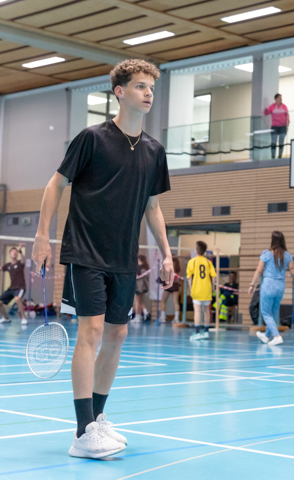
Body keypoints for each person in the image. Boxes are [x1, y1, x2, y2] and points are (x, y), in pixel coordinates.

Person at [32, 59, 173, 459]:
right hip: (85, 251)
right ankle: (82, 432)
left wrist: (166, 254)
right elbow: (55, 184)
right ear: (120, 92)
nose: (148, 93)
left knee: (118, 333)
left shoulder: (153, 151)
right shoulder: (91, 139)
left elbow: (153, 208)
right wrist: (43, 237)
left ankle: (98, 416)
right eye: (141, 86)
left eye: (151, 87)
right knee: (91, 331)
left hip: (124, 256)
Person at [248, 231, 294, 346]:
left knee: (265, 312)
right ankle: (266, 336)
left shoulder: (266, 253)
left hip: (268, 285)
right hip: (280, 287)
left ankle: (276, 336)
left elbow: (259, 270)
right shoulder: (288, 255)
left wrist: (252, 284)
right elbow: (293, 271)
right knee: (274, 311)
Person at [186, 241, 216, 340]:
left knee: (197, 311)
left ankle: (197, 332)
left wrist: (191, 289)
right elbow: (214, 276)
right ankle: (206, 332)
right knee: (207, 311)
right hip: (207, 289)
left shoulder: (192, 262)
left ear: (196, 251)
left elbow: (189, 278)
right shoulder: (208, 262)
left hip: (197, 289)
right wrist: (213, 287)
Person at [0, 245, 27, 325]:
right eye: (12, 252)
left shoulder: (20, 263)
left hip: (20, 287)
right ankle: (6, 318)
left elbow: (24, 260)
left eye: (16, 252)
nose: (14, 253)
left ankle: (24, 318)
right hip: (11, 288)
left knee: (17, 299)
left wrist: (20, 251)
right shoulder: (8, 265)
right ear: (10, 254)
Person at [264, 93, 289, 158]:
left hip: (283, 127)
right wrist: (266, 111)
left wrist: (287, 124)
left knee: (281, 142)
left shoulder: (284, 106)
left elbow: (287, 116)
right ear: (276, 99)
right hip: (274, 127)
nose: (281, 99)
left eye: (281, 98)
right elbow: (267, 113)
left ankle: (280, 156)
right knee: (273, 142)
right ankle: (273, 157)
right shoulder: (272, 106)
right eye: (279, 98)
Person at [158, 256, 182, 323]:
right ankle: (176, 318)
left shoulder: (168, 266)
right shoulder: (177, 268)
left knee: (163, 301)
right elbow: (179, 279)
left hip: (169, 284)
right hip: (176, 285)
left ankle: (162, 317)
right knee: (176, 302)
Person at [132, 254, 150, 323]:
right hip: (143, 287)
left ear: (139, 259)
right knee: (140, 301)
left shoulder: (139, 267)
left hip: (138, 287)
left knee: (137, 301)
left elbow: (137, 276)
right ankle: (140, 315)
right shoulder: (146, 267)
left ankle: (137, 316)